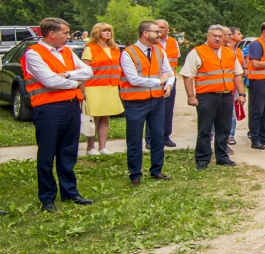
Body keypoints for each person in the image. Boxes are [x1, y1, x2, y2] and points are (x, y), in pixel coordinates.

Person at [22, 18, 94, 211]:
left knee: (68, 151)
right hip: (49, 109)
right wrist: (75, 82)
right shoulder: (34, 54)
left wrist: (68, 76)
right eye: (65, 33)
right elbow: (49, 81)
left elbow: (88, 72)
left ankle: (70, 193)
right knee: (47, 154)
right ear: (51, 34)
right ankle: (47, 198)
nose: (69, 36)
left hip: (71, 106)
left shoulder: (67, 51)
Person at [181, 24, 244, 170]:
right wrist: (191, 96)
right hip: (206, 96)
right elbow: (188, 75)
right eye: (214, 36)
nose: (217, 39)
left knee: (224, 128)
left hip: (226, 96)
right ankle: (203, 158)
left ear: (224, 38)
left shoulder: (229, 53)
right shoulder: (197, 52)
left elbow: (237, 74)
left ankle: (222, 157)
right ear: (208, 36)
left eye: (220, 36)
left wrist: (241, 94)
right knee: (205, 129)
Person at [120, 21, 175, 185]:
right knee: (135, 139)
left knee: (158, 136)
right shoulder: (128, 53)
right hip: (136, 102)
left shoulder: (159, 50)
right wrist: (159, 81)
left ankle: (156, 170)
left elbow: (169, 72)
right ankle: (135, 174)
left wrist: (169, 84)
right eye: (156, 32)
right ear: (145, 33)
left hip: (157, 101)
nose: (160, 35)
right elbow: (133, 79)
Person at [81, 22, 124, 156]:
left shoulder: (114, 48)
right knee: (93, 118)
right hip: (94, 87)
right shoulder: (90, 48)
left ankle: (102, 146)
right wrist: (82, 90)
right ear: (96, 32)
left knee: (105, 117)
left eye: (109, 31)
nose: (108, 33)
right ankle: (90, 147)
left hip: (110, 86)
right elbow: (83, 70)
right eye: (104, 31)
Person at [144, 19, 180, 149]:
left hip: (170, 80)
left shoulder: (173, 42)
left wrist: (170, 80)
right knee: (152, 109)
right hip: (155, 81)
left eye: (162, 27)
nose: (160, 30)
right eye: (157, 28)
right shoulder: (151, 43)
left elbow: (176, 60)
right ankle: (149, 139)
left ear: (168, 29)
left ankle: (165, 136)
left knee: (168, 110)